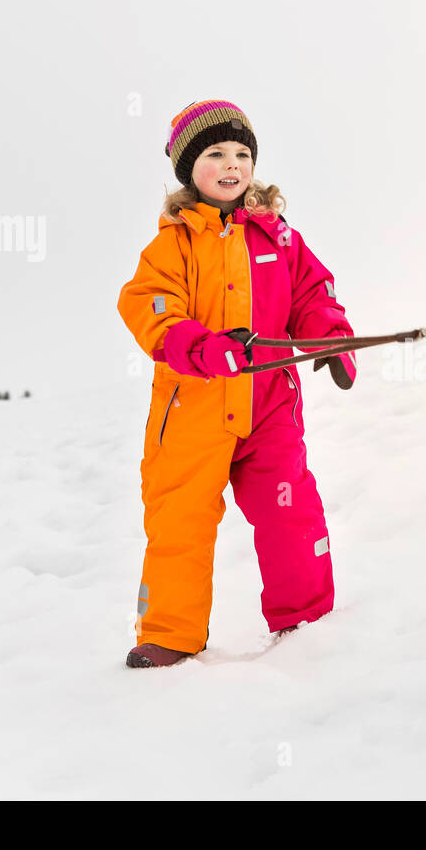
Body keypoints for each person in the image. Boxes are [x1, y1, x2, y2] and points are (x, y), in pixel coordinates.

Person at [117, 100, 355, 668]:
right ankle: (171, 634)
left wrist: (330, 336)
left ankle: (306, 623)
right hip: (193, 408)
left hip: (269, 403)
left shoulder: (278, 237)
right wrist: (201, 347)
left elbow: (311, 292)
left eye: (242, 154)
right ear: (188, 169)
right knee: (181, 519)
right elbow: (151, 308)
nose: (232, 165)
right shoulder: (172, 245)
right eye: (216, 154)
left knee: (289, 506)